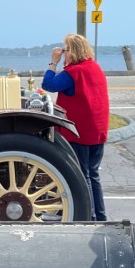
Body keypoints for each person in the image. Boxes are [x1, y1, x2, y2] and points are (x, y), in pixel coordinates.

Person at [41, 33, 109, 221]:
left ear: (74, 52)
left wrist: (53, 62)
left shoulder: (74, 72)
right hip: (97, 130)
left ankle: (89, 216)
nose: (64, 54)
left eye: (66, 50)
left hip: (80, 132)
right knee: (93, 174)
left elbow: (48, 84)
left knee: (83, 175)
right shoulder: (95, 67)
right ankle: (100, 216)